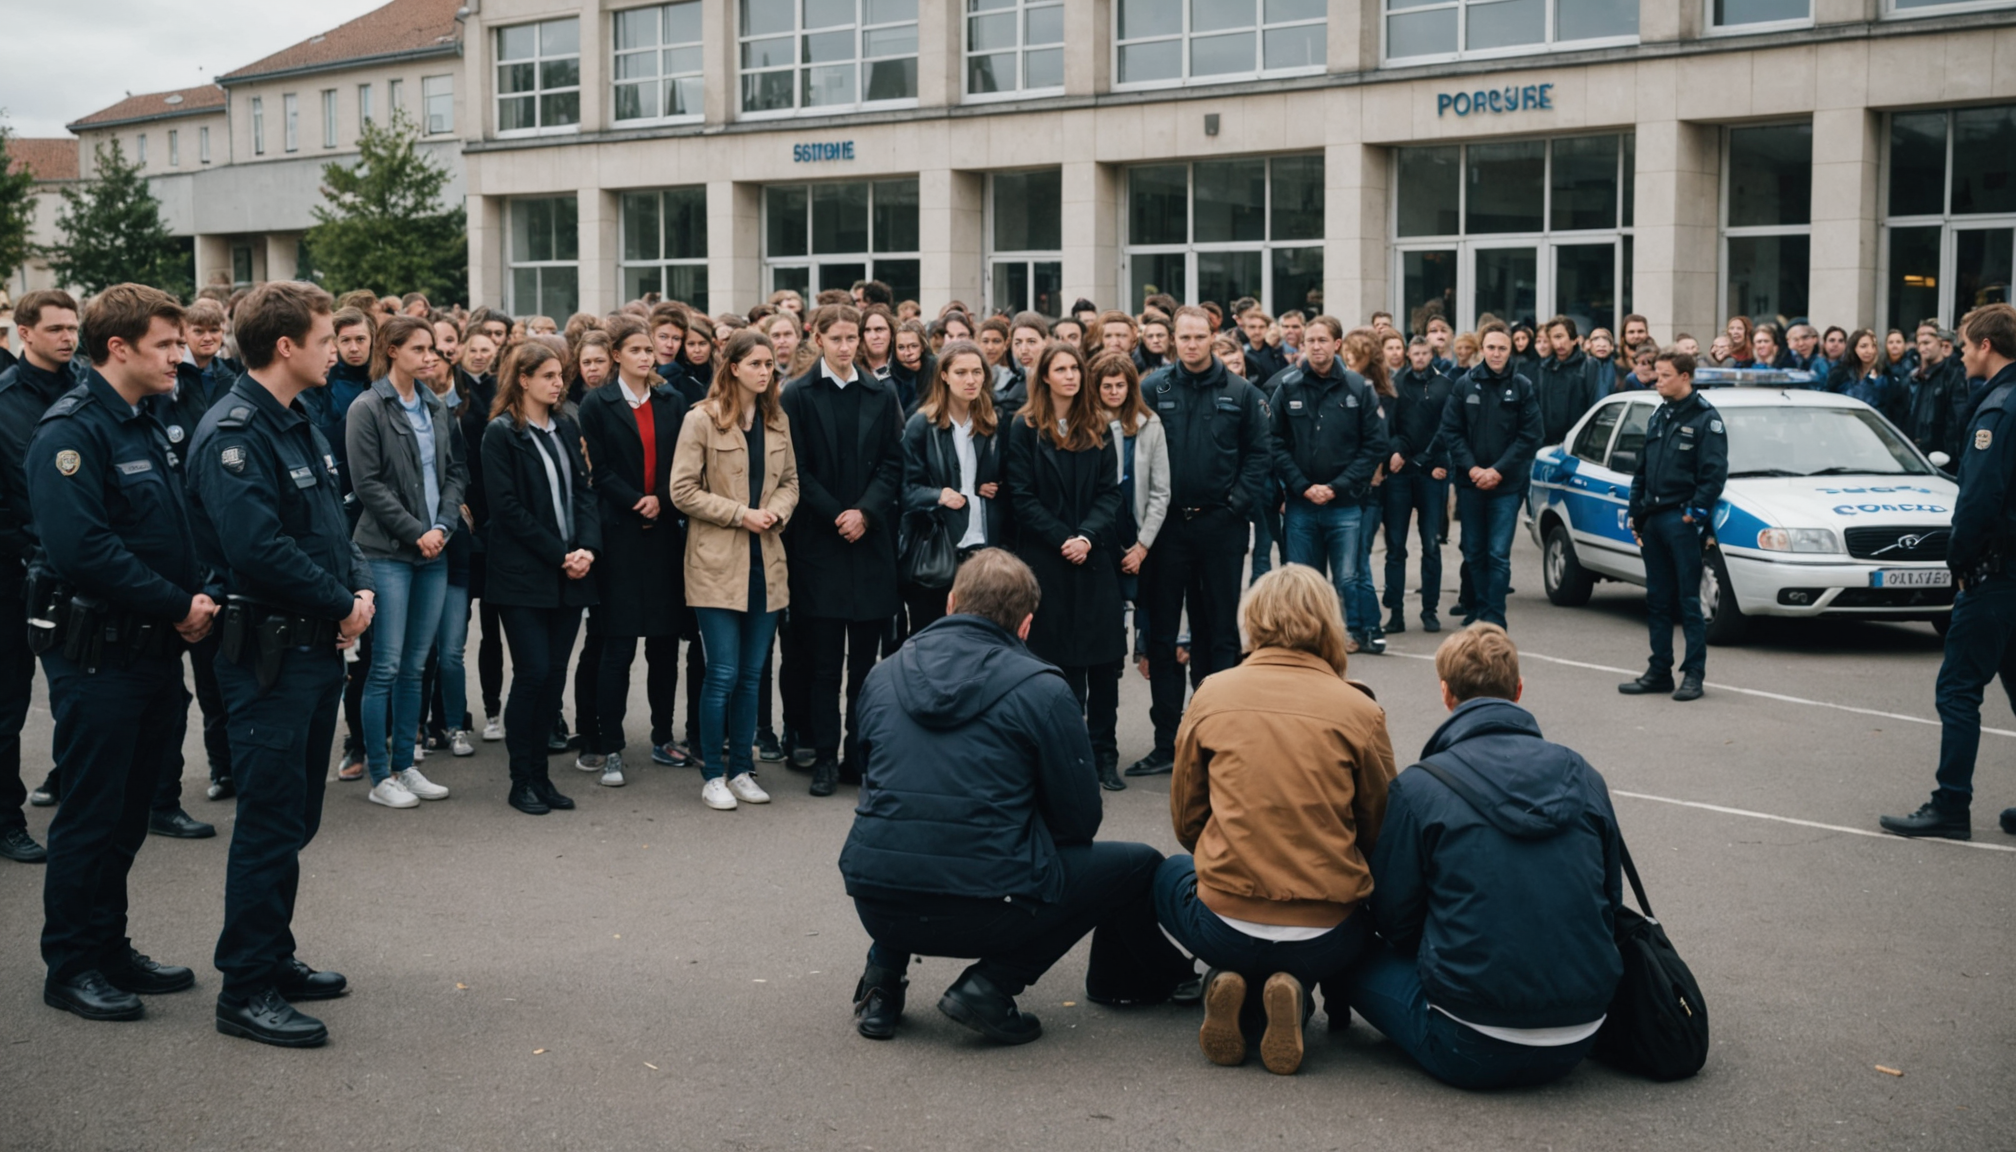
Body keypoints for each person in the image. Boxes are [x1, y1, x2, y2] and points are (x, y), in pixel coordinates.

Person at [839, 550, 1198, 1045]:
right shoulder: (1042, 690)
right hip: (986, 909)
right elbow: (1078, 821)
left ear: (950, 602)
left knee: (915, 822)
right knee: (1136, 865)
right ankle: (992, 984)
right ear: (1026, 625)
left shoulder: (884, 675)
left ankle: (881, 982)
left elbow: (869, 770)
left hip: (876, 899)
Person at [189, 281, 377, 1047]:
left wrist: (355, 583)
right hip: (269, 653)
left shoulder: (296, 422)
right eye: (328, 338)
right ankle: (246, 986)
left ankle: (275, 953)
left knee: (295, 817)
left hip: (311, 648)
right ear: (286, 346)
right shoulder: (235, 433)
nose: (336, 349)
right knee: (268, 825)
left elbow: (332, 522)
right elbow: (255, 550)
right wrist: (343, 602)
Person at [30, 284, 217, 1024]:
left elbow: (173, 529)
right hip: (99, 657)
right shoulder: (72, 433)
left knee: (131, 812)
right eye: (168, 345)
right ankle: (71, 963)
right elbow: (86, 552)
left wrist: (198, 595)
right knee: (90, 815)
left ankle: (109, 945)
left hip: (150, 656)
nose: (182, 355)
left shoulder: (143, 423)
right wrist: (179, 604)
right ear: (120, 348)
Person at [1337, 623, 1623, 1090]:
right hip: (1582, 1031)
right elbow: (1610, 897)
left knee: (1347, 946)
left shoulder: (1420, 787)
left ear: (1446, 694)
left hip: (1467, 1038)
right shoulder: (1584, 775)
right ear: (1519, 690)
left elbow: (1394, 920)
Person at [1159, 565, 1394, 1075]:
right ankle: (1295, 994)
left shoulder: (1211, 694)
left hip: (1224, 919)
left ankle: (1232, 986)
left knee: (1166, 874)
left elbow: (1187, 818)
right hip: (1325, 932)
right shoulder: (1358, 710)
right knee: (1332, 926)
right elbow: (1380, 827)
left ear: (1254, 620)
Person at [1881, 303, 2016, 842]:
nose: (1960, 353)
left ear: (1986, 345)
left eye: (1963, 344)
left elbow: (1979, 499)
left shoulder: (1997, 409)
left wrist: (1958, 560)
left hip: (1994, 573)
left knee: (1958, 690)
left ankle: (1949, 805)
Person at [1127, 306, 1270, 778]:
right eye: (1182, 337)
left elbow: (1258, 455)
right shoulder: (1154, 389)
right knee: (1164, 637)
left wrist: (1236, 505)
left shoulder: (1240, 392)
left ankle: (1216, 739)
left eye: (1198, 336)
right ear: (1172, 340)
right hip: (1166, 530)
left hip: (1220, 528)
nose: (1191, 344)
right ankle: (1166, 742)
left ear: (1213, 337)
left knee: (1217, 636)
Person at [779, 304, 905, 797]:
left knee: (865, 667)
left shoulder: (882, 390)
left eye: (853, 337)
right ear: (819, 339)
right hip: (821, 543)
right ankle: (826, 757)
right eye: (837, 338)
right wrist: (838, 514)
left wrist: (865, 512)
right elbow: (797, 468)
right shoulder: (799, 395)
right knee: (824, 662)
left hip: (869, 542)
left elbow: (894, 463)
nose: (848, 345)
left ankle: (859, 755)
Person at [671, 330, 800, 811]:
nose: (766, 372)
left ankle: (743, 769)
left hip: (765, 559)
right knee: (721, 672)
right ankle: (712, 774)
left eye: (770, 364)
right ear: (733, 368)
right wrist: (739, 513)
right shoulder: (701, 420)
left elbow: (790, 481)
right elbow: (681, 491)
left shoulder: (776, 419)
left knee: (752, 673)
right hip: (716, 561)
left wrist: (777, 511)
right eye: (757, 364)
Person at [346, 316, 464, 809]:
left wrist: (442, 527)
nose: (430, 355)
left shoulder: (435, 404)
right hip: (389, 552)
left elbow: (455, 472)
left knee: (417, 665)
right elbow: (367, 484)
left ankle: (406, 766)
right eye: (419, 348)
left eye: (432, 348)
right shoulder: (367, 407)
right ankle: (380, 773)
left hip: (433, 548)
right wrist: (417, 532)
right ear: (392, 350)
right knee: (386, 665)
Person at [482, 341, 600, 816]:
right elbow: (507, 509)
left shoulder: (567, 427)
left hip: (571, 573)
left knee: (553, 677)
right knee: (530, 675)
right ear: (523, 379)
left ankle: (543, 779)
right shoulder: (501, 434)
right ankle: (521, 780)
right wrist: (561, 554)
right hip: (524, 576)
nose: (559, 383)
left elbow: (586, 492)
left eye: (560, 375)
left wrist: (587, 548)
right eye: (549, 376)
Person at [1004, 341, 1127, 791]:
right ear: (1045, 377)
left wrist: (1087, 537)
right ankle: (1066, 757)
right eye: (1062, 369)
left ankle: (1103, 754)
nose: (1072, 376)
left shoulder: (1098, 425)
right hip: (1047, 560)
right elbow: (1021, 496)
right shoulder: (1024, 427)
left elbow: (1110, 492)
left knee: (1103, 661)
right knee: (1058, 666)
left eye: (1076, 368)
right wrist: (1062, 539)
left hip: (1094, 558)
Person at [573, 316, 686, 788]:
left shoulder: (672, 400)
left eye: (649, 350)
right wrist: (634, 500)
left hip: (663, 534)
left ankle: (662, 735)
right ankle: (611, 744)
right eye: (636, 350)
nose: (646, 356)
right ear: (616, 355)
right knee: (617, 646)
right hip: (617, 532)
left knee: (663, 645)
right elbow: (597, 467)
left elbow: (685, 459)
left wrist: (660, 496)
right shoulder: (597, 404)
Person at [0, 290, 79, 862]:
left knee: (82, 699)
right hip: (14, 574)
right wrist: (30, 548)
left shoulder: (88, 390)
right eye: (55, 328)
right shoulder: (4, 401)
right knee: (8, 705)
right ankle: (6, 820)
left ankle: (83, 806)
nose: (68, 337)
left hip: (79, 572)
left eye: (73, 327)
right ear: (24, 333)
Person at [1268, 316, 1385, 645]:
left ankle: (1348, 632)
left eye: (1322, 340)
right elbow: (1273, 441)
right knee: (1303, 578)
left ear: (1337, 345)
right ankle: (1306, 637)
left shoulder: (1358, 388)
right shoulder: (1288, 387)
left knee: (1347, 577)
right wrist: (1302, 485)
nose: (1315, 346)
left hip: (1344, 504)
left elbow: (1373, 445)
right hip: (1301, 504)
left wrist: (1337, 487)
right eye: (1310, 341)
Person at [1619, 349, 1727, 703]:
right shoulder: (1658, 414)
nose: (1656, 380)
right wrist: (1636, 514)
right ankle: (1659, 671)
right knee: (1657, 600)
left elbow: (1713, 475)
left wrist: (1694, 516)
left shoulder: (1705, 419)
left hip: (1681, 520)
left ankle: (1693, 674)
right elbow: (1642, 468)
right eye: (1656, 374)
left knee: (1688, 602)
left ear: (1685, 377)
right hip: (1653, 519)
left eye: (1664, 375)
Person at [1439, 325, 1542, 629]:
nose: (1496, 353)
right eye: (1491, 347)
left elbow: (1531, 436)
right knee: (1474, 551)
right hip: (1470, 484)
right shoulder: (1464, 384)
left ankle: (1494, 618)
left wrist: (1498, 470)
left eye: (1502, 348)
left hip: (1506, 486)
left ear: (1510, 351)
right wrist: (1472, 469)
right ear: (1481, 349)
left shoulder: (1522, 386)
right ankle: (1480, 610)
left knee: (1497, 554)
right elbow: (1451, 430)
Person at [900, 339, 1001, 633]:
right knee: (932, 638)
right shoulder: (922, 424)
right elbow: (905, 489)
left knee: (979, 639)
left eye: (977, 372)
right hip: (939, 547)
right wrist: (938, 495)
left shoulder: (993, 423)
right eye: (961, 372)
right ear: (944, 375)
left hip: (982, 545)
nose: (970, 380)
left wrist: (994, 485)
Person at [1385, 335, 1453, 635]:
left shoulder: (1444, 385)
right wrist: (1395, 451)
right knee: (1395, 546)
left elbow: (1450, 427)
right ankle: (1396, 613)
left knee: (1430, 545)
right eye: (1416, 352)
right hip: (1400, 473)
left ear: (1432, 353)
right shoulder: (1396, 384)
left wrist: (1441, 463)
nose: (1421, 357)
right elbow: (1390, 425)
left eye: (1426, 352)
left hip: (1431, 472)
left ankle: (1429, 610)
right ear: (1409, 354)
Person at [1535, 316, 1606, 446]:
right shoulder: (1545, 367)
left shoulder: (1588, 365)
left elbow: (1596, 404)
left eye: (1560, 336)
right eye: (1554, 338)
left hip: (1577, 443)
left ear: (1574, 340)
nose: (1558, 343)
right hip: (1547, 443)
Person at [1903, 322, 1965, 461]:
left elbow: (1957, 420)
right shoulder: (1915, 377)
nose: (1923, 347)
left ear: (1941, 344)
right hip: (1918, 453)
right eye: (1920, 343)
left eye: (1927, 342)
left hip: (1942, 456)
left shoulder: (1952, 375)